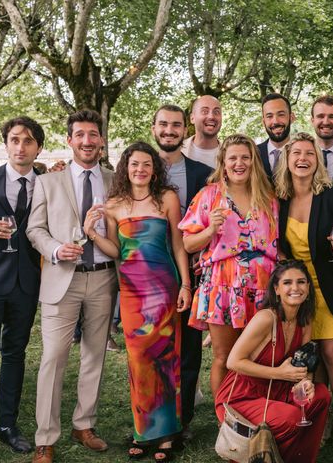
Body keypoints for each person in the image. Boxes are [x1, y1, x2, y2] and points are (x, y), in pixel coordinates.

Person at [81, 141, 191, 461]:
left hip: (164, 289)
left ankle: (168, 435)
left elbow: (178, 244)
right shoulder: (114, 204)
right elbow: (117, 251)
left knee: (165, 358)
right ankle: (144, 431)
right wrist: (92, 234)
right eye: (134, 164)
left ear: (154, 169)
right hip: (131, 292)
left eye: (146, 164)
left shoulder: (167, 198)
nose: (140, 169)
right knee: (139, 360)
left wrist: (186, 285)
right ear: (125, 168)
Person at [27, 110, 118, 463]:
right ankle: (45, 438)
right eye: (79, 134)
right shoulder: (48, 182)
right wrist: (54, 249)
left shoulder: (115, 182)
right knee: (53, 358)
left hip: (103, 277)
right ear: (69, 140)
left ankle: (85, 424)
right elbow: (35, 230)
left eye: (93, 134)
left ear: (101, 140)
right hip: (60, 278)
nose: (87, 141)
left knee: (95, 354)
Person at [275, 132, 333, 463]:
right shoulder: (279, 199)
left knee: (332, 353)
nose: (302, 158)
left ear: (318, 160)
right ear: (287, 160)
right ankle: (321, 423)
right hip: (298, 293)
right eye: (295, 153)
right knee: (311, 359)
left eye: (309, 153)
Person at [179, 134, 278, 398]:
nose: (239, 163)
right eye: (233, 158)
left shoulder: (268, 198)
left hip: (263, 289)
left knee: (257, 356)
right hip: (223, 287)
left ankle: (253, 414)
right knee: (224, 357)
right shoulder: (210, 196)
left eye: (245, 157)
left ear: (253, 161)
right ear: (223, 162)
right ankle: (225, 419)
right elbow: (188, 244)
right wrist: (210, 229)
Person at [215, 259, 331, 463]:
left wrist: (306, 381)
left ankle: (300, 459)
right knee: (290, 418)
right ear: (276, 289)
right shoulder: (266, 318)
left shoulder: (305, 319)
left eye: (301, 282)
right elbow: (233, 362)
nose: (295, 288)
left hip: (277, 389)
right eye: (287, 283)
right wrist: (279, 373)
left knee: (320, 396)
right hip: (243, 396)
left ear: (308, 287)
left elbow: (304, 363)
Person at [151, 104, 213, 438]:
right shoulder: (139, 168)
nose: (170, 131)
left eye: (176, 125)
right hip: (150, 274)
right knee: (154, 349)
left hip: (192, 270)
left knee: (189, 348)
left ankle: (184, 418)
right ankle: (154, 417)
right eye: (164, 124)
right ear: (154, 128)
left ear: (185, 130)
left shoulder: (202, 173)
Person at [0, 117, 44, 458]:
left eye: (27, 141)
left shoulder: (48, 184)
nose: (20, 146)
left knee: (14, 354)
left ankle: (8, 424)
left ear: (37, 146)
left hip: (27, 283)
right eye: (14, 140)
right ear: (6, 143)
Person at [257, 93, 296, 178]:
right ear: (263, 122)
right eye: (269, 116)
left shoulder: (303, 153)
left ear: (291, 117)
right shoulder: (254, 153)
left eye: (281, 114)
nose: (275, 121)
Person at [181, 95, 222, 168]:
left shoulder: (232, 153)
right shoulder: (178, 151)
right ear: (192, 118)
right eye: (205, 111)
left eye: (216, 112)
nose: (211, 116)